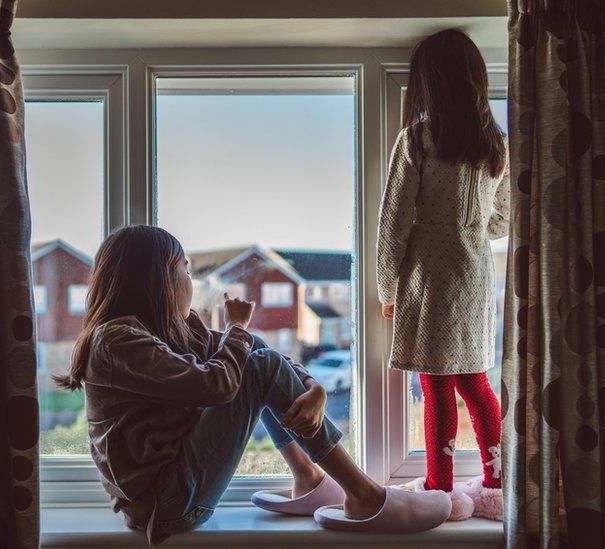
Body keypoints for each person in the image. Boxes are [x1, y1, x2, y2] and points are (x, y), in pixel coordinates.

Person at [53, 225, 452, 544]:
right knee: (253, 368)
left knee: (258, 363)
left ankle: (308, 477)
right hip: (164, 506)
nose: (191, 282)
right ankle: (363, 495)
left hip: (178, 488)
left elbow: (263, 355)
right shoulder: (117, 340)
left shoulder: (172, 331)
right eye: (185, 270)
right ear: (157, 280)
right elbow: (218, 385)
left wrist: (314, 387)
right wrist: (237, 330)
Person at [375, 28, 510, 522]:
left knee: (435, 385)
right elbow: (504, 217)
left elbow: (394, 222)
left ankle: (440, 487)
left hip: (430, 280)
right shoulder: (494, 144)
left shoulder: (418, 138)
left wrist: (387, 289)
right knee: (476, 381)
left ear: (426, 84)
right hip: (475, 278)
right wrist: (473, 227)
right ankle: (498, 485)